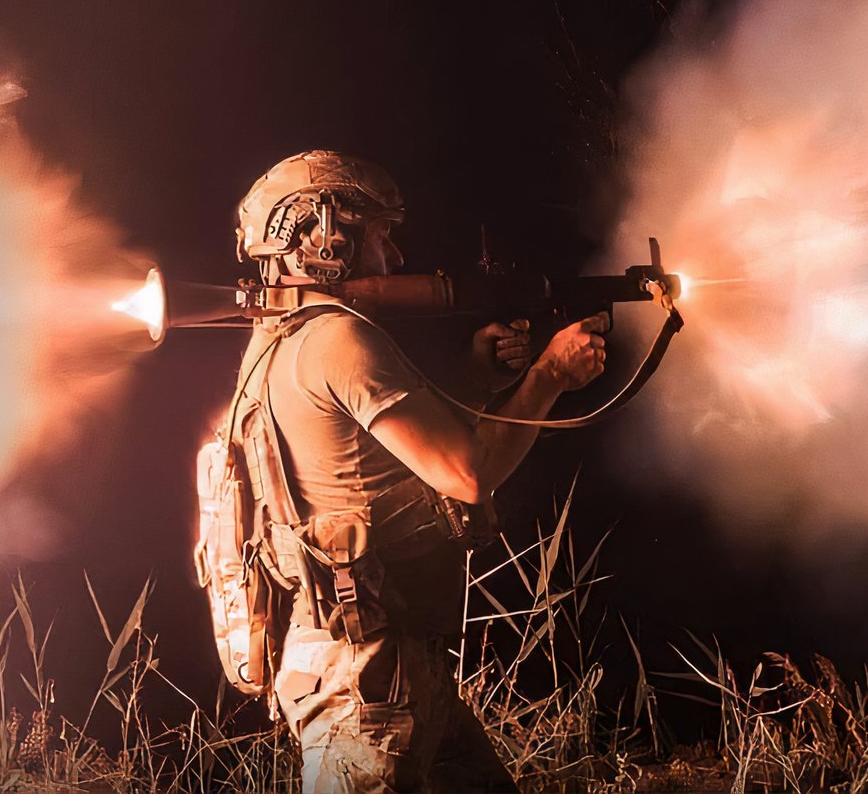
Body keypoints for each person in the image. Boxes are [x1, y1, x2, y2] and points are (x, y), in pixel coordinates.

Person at [231, 150, 607, 792]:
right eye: (380, 234)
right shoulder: (341, 342)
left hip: (385, 666)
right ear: (327, 238)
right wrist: (550, 376)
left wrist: (478, 377)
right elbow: (466, 475)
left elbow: (368, 465)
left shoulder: (279, 343)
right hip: (366, 688)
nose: (395, 257)